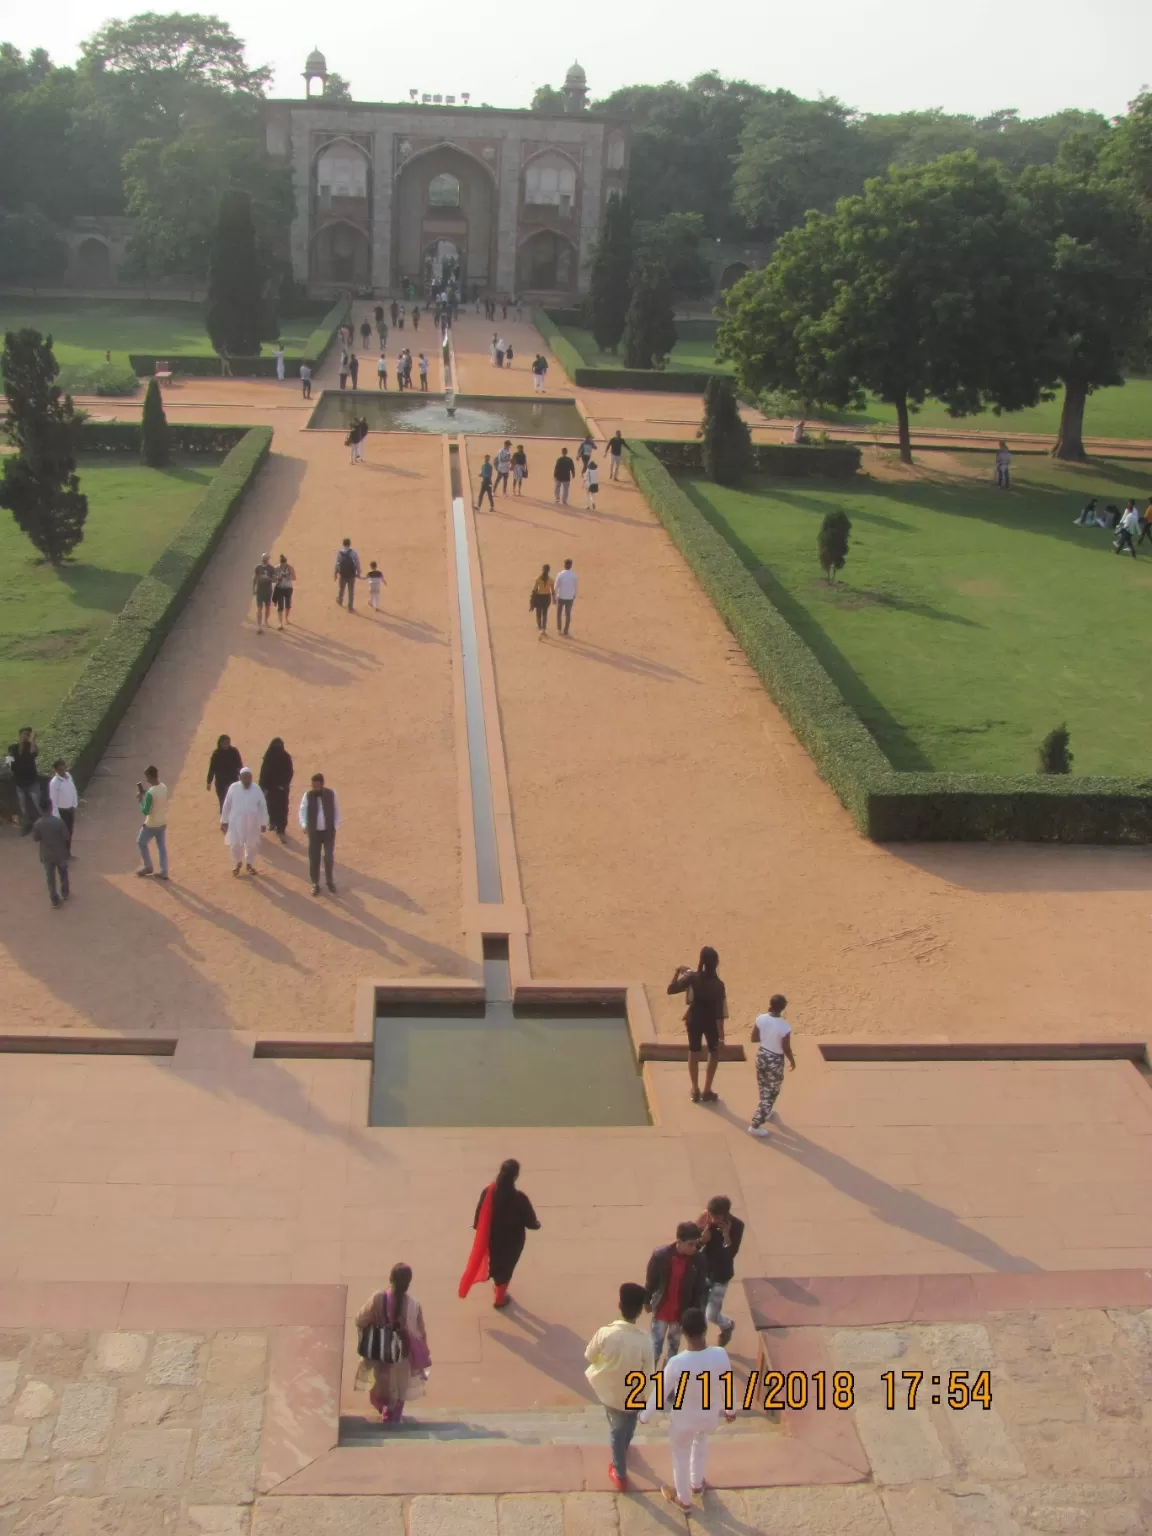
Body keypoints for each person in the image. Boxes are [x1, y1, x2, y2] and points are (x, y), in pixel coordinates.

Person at [639, 1306, 735, 1513]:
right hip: (708, 1417)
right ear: (705, 1329)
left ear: (683, 1332)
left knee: (680, 1456)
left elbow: (660, 1393)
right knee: (701, 1444)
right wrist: (730, 1409)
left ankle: (684, 1500)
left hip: (683, 1420)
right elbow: (726, 1384)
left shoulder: (677, 1363)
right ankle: (697, 1483)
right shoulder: (720, 1355)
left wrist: (645, 1415)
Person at [584, 1282, 654, 1492]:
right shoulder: (645, 1341)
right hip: (634, 1395)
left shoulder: (606, 1333)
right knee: (627, 1425)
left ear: (619, 1305)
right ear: (640, 1311)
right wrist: (648, 1402)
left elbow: (589, 1355)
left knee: (616, 1429)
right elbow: (649, 1374)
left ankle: (620, 1471)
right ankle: (623, 1450)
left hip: (609, 1391)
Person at [355, 1263, 431, 1424]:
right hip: (402, 1355)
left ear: (390, 1278)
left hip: (381, 1353)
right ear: (408, 1283)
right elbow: (420, 1333)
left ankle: (384, 1409)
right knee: (398, 1390)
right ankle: (392, 1416)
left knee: (380, 1386)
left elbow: (360, 1320)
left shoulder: (378, 1298)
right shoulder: (414, 1305)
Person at [460, 1159, 540, 1309]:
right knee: (507, 1266)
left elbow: (479, 1214)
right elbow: (531, 1223)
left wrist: (479, 1227)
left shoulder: (488, 1192)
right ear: (515, 1177)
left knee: (495, 1262)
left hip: (492, 1237)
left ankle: (498, 1286)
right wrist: (537, 1224)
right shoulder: (519, 1198)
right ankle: (499, 1298)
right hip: (513, 1240)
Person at [643, 1222, 709, 1368]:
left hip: (680, 1315)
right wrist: (646, 1300)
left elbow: (698, 1290)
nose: (694, 1248)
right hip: (661, 1311)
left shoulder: (699, 1260)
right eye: (690, 1244)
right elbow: (651, 1280)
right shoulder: (661, 1256)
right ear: (679, 1242)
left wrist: (694, 1314)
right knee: (655, 1348)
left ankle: (667, 1380)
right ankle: (649, 1379)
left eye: (695, 1244)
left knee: (673, 1349)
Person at [668, 947, 728, 1103]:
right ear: (716, 964)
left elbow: (671, 989)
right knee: (713, 1052)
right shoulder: (719, 984)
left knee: (694, 1051)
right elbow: (720, 1011)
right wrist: (722, 1035)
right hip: (711, 1020)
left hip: (694, 1018)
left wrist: (677, 972)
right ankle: (707, 1089)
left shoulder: (693, 978)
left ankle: (695, 1089)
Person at [696, 1196, 744, 1347]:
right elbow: (692, 1247)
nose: (713, 1218)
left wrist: (726, 1238)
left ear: (726, 1214)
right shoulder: (705, 1219)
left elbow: (731, 1254)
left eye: (716, 1216)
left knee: (712, 1315)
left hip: (721, 1275)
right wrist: (701, 1241)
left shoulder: (737, 1225)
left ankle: (727, 1325)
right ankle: (700, 1345)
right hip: (703, 1272)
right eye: (711, 1214)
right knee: (700, 1313)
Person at [748, 993, 796, 1135]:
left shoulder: (760, 1019)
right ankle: (755, 1125)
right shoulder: (784, 1027)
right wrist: (792, 1060)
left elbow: (754, 1038)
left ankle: (766, 1112)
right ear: (782, 1008)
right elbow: (786, 1048)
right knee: (772, 1092)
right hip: (775, 1060)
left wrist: (766, 1036)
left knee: (763, 1086)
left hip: (762, 1054)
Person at [220, 766, 268, 877]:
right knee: (235, 844)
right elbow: (227, 804)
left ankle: (249, 864)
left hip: (253, 822)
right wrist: (224, 820)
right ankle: (238, 862)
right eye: (244, 778)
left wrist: (264, 822)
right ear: (240, 778)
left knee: (251, 844)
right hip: (236, 822)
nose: (247, 780)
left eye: (249, 778)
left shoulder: (256, 788)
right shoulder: (233, 787)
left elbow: (263, 806)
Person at [300, 772, 339, 895]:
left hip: (328, 832)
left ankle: (329, 881)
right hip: (314, 833)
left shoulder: (331, 794)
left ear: (322, 784)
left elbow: (337, 810)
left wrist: (335, 826)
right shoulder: (307, 795)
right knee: (314, 858)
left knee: (328, 857)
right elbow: (302, 811)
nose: (315, 788)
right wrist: (304, 825)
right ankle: (315, 883)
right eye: (313, 786)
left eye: (317, 785)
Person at [32, 808, 71, 909]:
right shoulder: (59, 822)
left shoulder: (38, 824)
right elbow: (67, 836)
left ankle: (54, 900)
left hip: (47, 855)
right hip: (60, 853)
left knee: (50, 878)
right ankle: (65, 893)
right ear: (51, 808)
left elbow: (35, 838)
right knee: (63, 873)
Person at [135, 766, 169, 879]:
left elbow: (145, 811)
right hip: (162, 822)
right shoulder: (163, 787)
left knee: (141, 842)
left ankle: (148, 865)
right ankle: (164, 871)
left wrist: (140, 801)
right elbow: (157, 799)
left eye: (147, 777)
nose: (147, 780)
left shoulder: (150, 793)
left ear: (150, 776)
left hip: (151, 824)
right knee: (161, 848)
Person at [6, 726, 42, 833]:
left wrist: (33, 740)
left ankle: (44, 826)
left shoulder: (31, 747)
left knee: (38, 805)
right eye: (25, 734)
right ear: (20, 735)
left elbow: (33, 753)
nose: (26, 737)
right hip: (19, 783)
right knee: (23, 808)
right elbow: (9, 760)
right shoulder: (13, 747)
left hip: (32, 782)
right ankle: (26, 826)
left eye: (28, 735)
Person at [259, 737, 294, 843]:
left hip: (282, 789)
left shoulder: (286, 757)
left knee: (283, 809)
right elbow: (263, 772)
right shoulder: (268, 757)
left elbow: (290, 772)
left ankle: (281, 829)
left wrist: (283, 785)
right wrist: (263, 787)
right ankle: (273, 822)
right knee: (271, 806)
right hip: (270, 788)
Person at [205, 733, 243, 811]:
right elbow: (212, 769)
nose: (227, 745)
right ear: (220, 743)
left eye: (228, 743)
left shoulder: (234, 751)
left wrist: (242, 777)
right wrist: (209, 782)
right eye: (225, 743)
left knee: (234, 801)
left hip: (233, 780)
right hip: (221, 782)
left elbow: (239, 765)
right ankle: (225, 820)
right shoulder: (216, 754)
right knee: (223, 802)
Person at [47, 760, 78, 852]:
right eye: (61, 769)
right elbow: (53, 800)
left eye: (64, 768)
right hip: (62, 812)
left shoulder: (69, 776)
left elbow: (73, 790)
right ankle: (62, 853)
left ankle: (67, 852)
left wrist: (74, 804)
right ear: (56, 770)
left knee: (70, 832)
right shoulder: (54, 783)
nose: (63, 771)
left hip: (70, 810)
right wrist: (57, 816)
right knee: (62, 834)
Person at [335, 538, 361, 610]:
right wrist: (358, 573)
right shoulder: (354, 553)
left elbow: (337, 564)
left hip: (342, 574)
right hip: (351, 575)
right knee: (351, 591)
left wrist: (335, 573)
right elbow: (357, 563)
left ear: (343, 544)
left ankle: (340, 601)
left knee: (341, 589)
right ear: (350, 544)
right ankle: (350, 607)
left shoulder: (339, 553)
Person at [554, 559, 577, 636]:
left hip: (561, 596)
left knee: (559, 613)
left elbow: (556, 586)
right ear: (571, 565)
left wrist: (554, 595)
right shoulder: (574, 575)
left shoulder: (560, 574)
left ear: (564, 565)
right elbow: (575, 587)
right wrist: (574, 595)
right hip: (569, 597)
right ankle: (566, 631)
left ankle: (559, 629)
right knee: (568, 615)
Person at [253, 553, 276, 633]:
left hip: (268, 591)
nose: (264, 559)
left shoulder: (271, 568)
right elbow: (255, 578)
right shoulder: (258, 567)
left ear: (268, 559)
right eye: (264, 558)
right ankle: (259, 626)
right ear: (262, 558)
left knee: (267, 607)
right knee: (259, 608)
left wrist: (268, 578)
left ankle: (266, 621)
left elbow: (274, 579)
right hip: (260, 591)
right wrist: (253, 588)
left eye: (266, 558)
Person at [531, 564, 554, 637]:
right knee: (545, 613)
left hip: (539, 597)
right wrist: (554, 599)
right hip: (546, 597)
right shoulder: (551, 580)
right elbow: (553, 591)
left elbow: (534, 590)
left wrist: (531, 601)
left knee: (538, 613)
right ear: (549, 570)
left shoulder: (538, 579)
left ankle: (539, 627)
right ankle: (543, 628)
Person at [273, 555, 296, 629]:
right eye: (282, 564)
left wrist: (288, 576)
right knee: (280, 606)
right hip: (280, 588)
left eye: (285, 563)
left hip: (288, 588)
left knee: (288, 605)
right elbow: (273, 579)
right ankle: (280, 623)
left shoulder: (290, 568)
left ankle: (286, 618)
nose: (284, 565)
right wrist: (277, 578)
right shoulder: (276, 568)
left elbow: (294, 577)